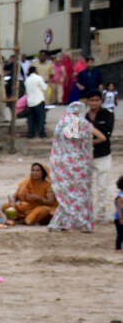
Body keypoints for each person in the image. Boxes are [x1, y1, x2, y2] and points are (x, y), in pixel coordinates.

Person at [48, 102, 96, 233]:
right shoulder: (78, 122)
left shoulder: (61, 122)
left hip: (60, 163)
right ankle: (82, 222)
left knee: (66, 194)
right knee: (80, 194)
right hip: (77, 164)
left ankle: (61, 222)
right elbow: (74, 138)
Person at [84, 90, 114, 223]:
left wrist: (89, 139)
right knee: (86, 187)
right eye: (92, 100)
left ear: (101, 101)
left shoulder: (107, 114)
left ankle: (101, 215)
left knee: (102, 186)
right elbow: (72, 136)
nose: (94, 103)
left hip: (102, 155)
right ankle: (87, 214)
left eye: (97, 100)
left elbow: (106, 135)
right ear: (88, 101)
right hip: (86, 156)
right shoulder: (83, 116)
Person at [24, 68, 48, 139]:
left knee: (31, 119)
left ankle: (31, 133)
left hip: (30, 101)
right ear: (35, 71)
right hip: (38, 100)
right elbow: (44, 88)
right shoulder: (38, 78)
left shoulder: (27, 80)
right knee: (41, 118)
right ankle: (42, 133)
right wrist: (46, 83)